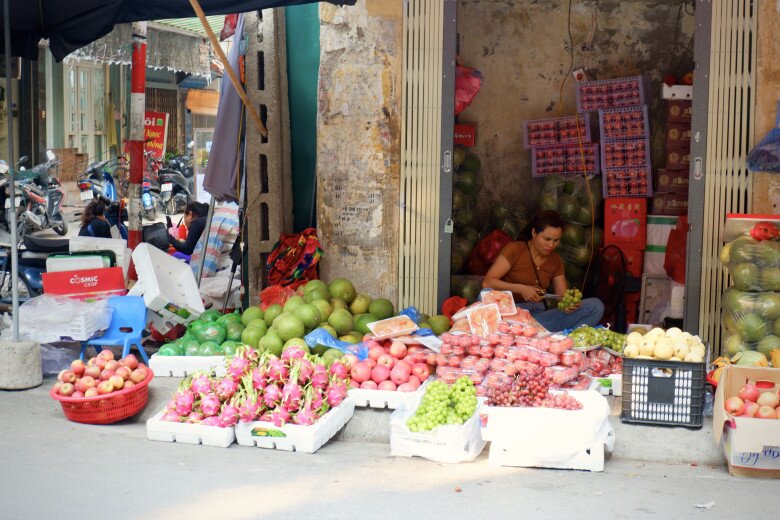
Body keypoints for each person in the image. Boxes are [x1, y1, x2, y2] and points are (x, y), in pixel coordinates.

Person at [482, 210, 604, 332]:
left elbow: (561, 297)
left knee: (596, 306)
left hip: (538, 320)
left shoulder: (555, 260)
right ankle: (522, 334)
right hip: (508, 316)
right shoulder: (515, 249)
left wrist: (569, 306)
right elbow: (487, 283)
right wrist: (521, 288)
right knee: (485, 293)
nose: (551, 245)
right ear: (534, 232)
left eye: (556, 240)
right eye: (547, 239)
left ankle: (565, 342)